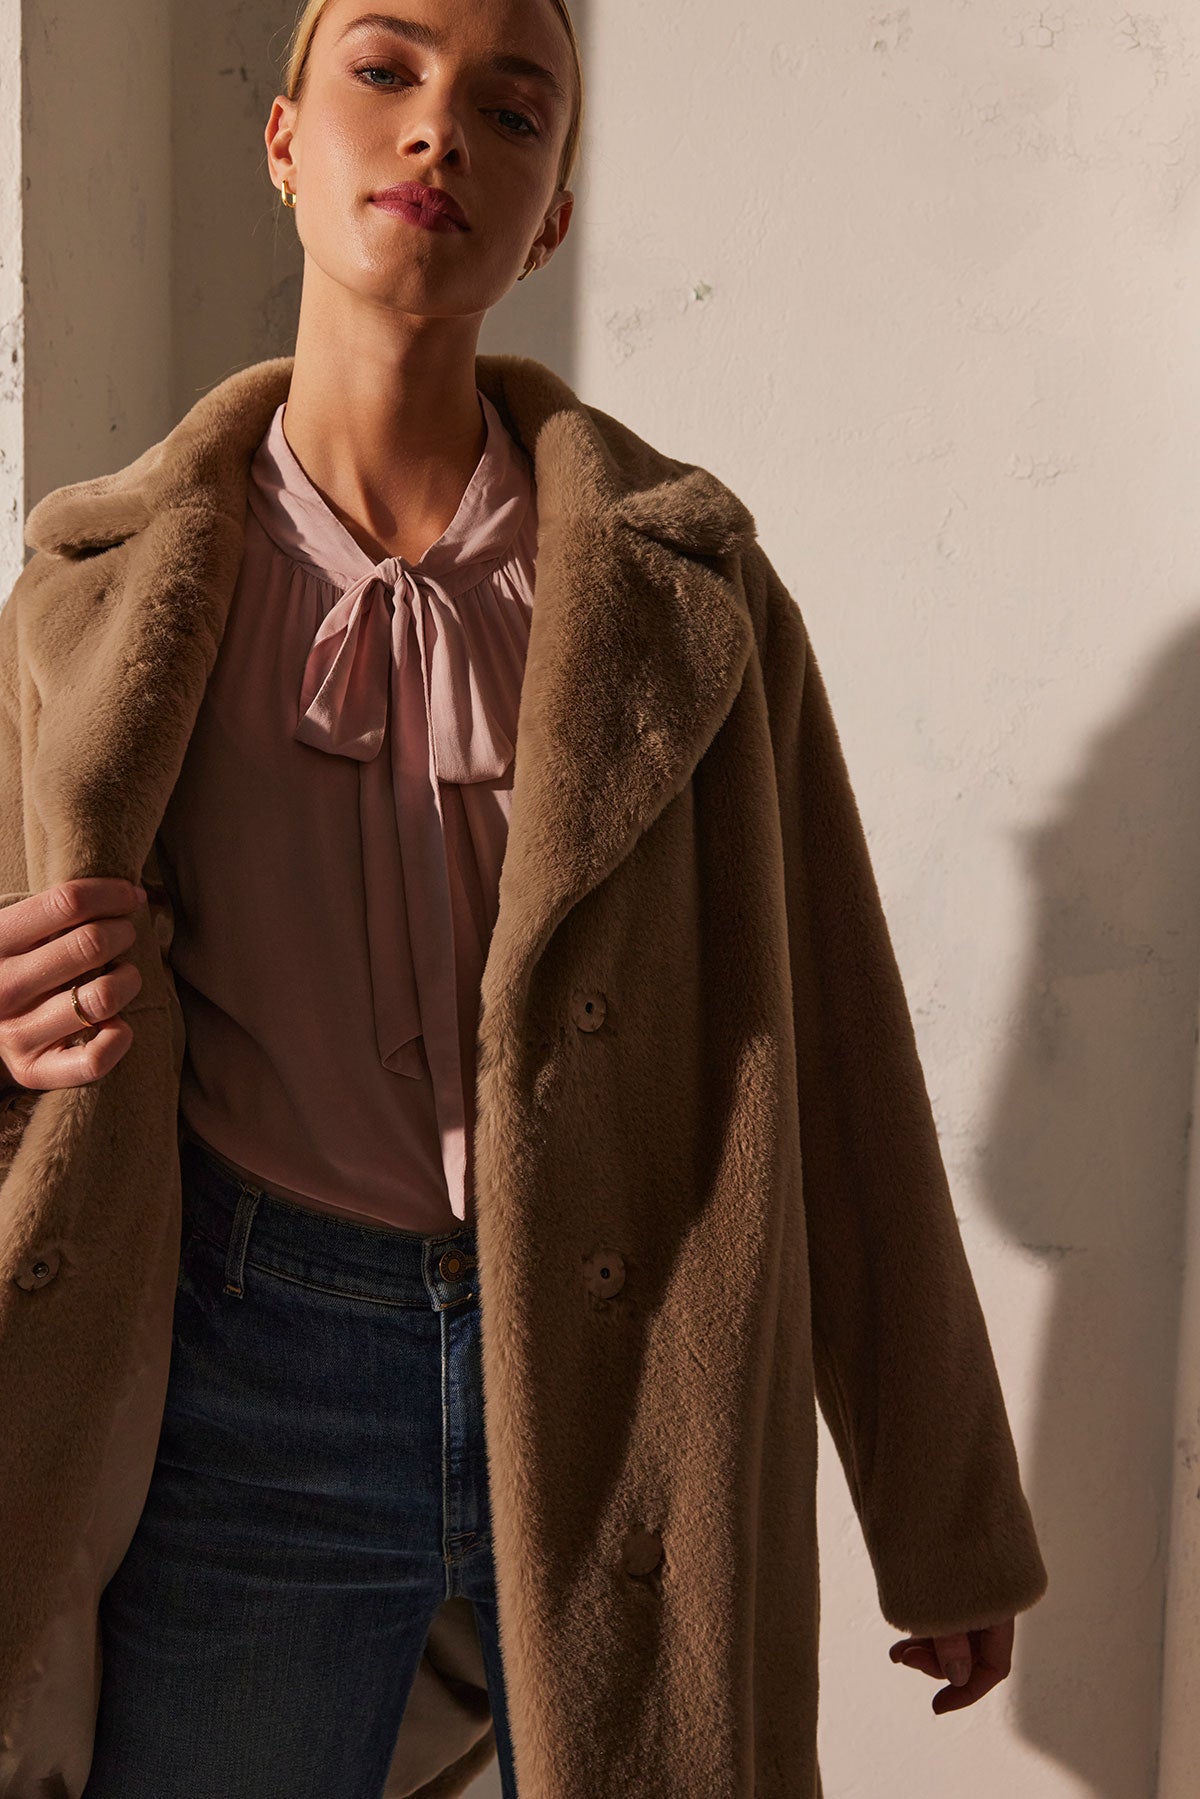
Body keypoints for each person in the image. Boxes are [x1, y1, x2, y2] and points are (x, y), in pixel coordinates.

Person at [0, 0, 1048, 1793]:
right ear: (281, 140)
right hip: (244, 1388)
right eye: (385, 73)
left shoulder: (687, 597)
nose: (438, 136)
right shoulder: (91, 605)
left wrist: (937, 1502)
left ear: (553, 209)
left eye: (509, 106)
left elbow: (839, 1041)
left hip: (617, 1366)